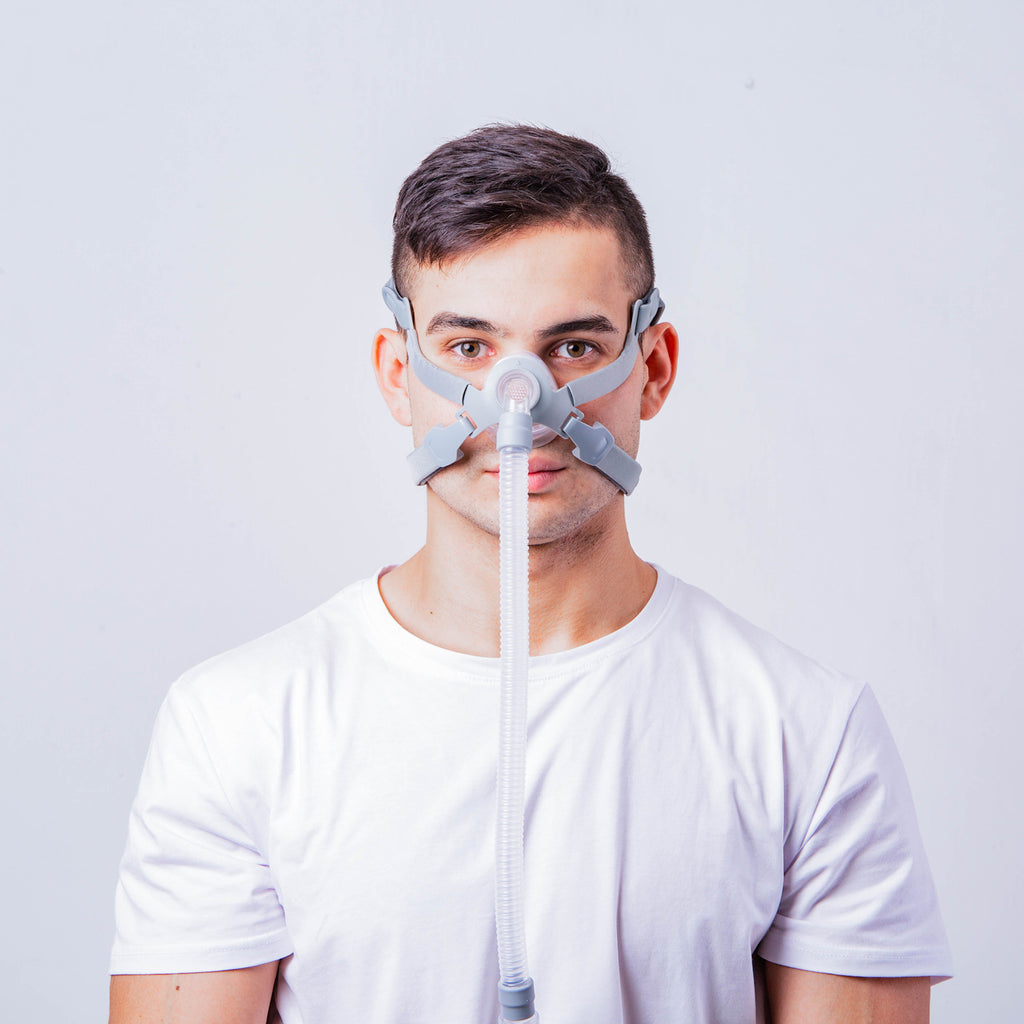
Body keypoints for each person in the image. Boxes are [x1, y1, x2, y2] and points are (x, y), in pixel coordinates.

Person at [109, 124, 951, 1023]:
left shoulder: (804, 734)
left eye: (575, 348)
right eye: (469, 348)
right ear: (397, 373)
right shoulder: (239, 726)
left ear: (653, 368)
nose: (525, 402)